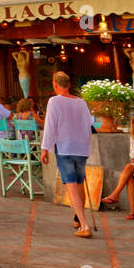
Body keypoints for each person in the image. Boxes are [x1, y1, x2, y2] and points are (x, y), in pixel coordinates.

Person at [40, 71, 95, 238]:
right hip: (81, 147)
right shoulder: (81, 102)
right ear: (69, 85)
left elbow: (50, 126)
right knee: (79, 183)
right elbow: (90, 123)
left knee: (71, 186)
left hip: (65, 147)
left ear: (55, 85)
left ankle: (85, 225)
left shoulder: (54, 101)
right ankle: (78, 218)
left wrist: (45, 148)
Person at [102, 116, 134, 220]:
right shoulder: (133, 137)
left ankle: (116, 194)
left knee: (129, 168)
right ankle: (132, 211)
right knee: (130, 173)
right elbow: (133, 155)